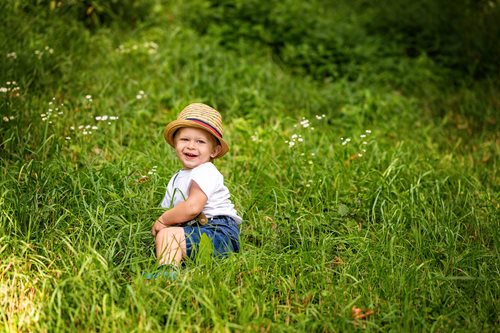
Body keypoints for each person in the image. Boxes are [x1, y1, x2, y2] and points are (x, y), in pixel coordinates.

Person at [150, 102, 242, 272]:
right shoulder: (177, 178)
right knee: (166, 235)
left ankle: (167, 274)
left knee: (168, 236)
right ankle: (176, 264)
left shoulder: (205, 170)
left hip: (219, 231)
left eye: (200, 141)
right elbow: (172, 211)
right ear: (175, 143)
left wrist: (163, 220)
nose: (191, 146)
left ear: (214, 151)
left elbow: (192, 207)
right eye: (185, 139)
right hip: (197, 229)